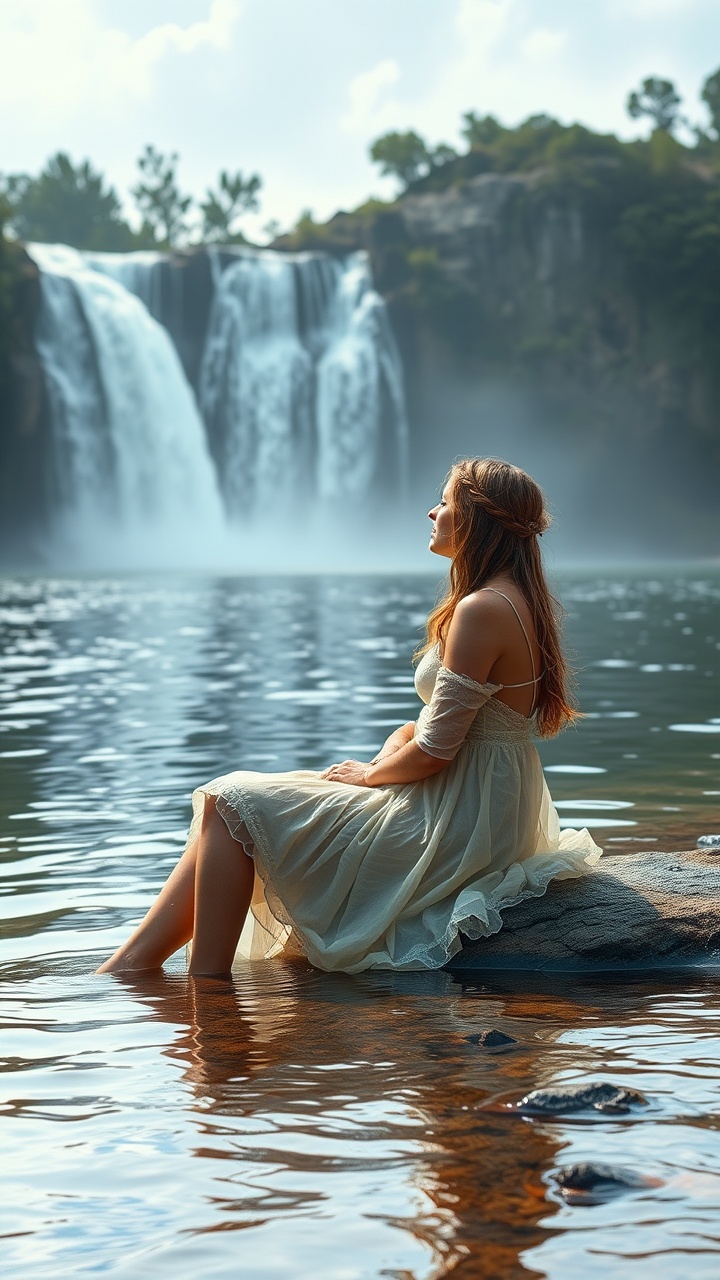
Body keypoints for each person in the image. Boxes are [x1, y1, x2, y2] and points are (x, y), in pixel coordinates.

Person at [98, 457, 601, 978]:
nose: (432, 511)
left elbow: (436, 751)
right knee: (226, 813)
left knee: (232, 802)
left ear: (477, 517)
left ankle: (208, 993)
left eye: (446, 501)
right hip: (479, 800)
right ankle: (131, 966)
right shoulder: (513, 598)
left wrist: (370, 774)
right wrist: (396, 743)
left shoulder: (482, 608)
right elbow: (459, 726)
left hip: (458, 820)